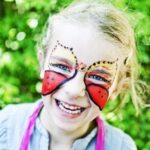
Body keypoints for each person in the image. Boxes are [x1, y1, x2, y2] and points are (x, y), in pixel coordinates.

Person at [1, 0, 145, 149]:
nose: (74, 90)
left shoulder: (121, 147)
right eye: (62, 66)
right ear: (42, 63)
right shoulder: (6, 127)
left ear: (117, 88)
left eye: (98, 77)